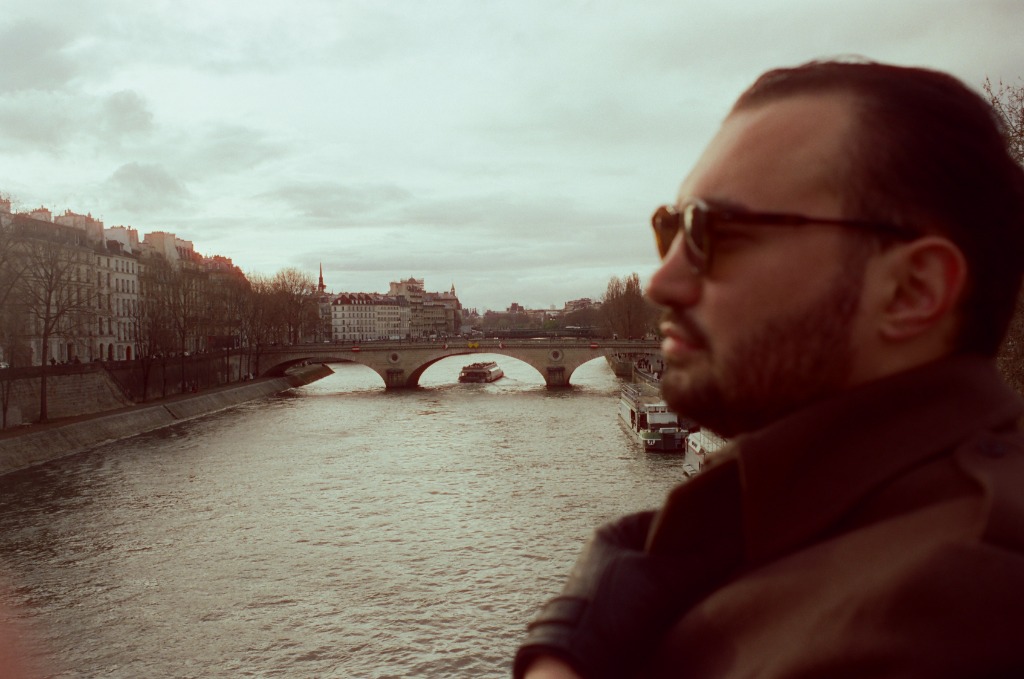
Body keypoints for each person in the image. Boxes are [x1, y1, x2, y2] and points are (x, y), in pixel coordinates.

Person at [513, 58, 1024, 678]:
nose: (662, 283)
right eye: (670, 229)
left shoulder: (956, 615)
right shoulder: (812, 523)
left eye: (714, 232)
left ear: (911, 290)